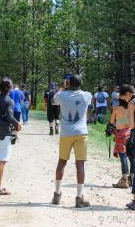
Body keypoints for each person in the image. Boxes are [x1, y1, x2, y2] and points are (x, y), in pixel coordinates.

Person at [51, 74, 92, 208]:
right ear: (81, 83)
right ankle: (79, 197)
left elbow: (53, 101)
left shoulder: (62, 95)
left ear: (68, 84)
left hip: (66, 133)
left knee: (62, 162)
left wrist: (62, 87)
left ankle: (57, 194)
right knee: (80, 164)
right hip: (81, 133)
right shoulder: (87, 95)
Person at [0, 77, 22, 195]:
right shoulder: (9, 101)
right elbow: (9, 117)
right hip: (3, 133)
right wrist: (17, 124)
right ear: (9, 88)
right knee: (2, 161)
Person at [109, 91, 135, 189]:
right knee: (132, 157)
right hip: (131, 134)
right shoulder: (132, 109)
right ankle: (132, 180)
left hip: (121, 135)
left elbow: (111, 122)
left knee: (123, 157)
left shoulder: (116, 109)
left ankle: (124, 180)